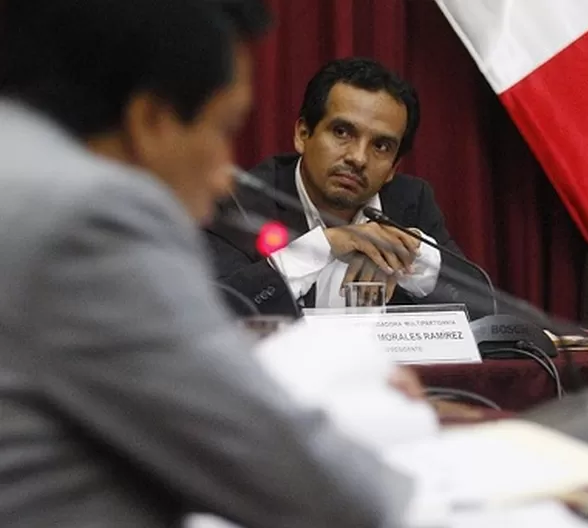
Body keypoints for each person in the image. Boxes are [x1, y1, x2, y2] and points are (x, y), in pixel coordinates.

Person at [0, 1, 413, 526]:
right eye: (223, 129)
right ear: (152, 119)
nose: (223, 176)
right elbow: (315, 488)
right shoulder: (88, 217)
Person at [205, 57, 493, 318]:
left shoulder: (410, 203)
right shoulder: (242, 200)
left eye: (381, 146)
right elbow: (214, 311)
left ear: (393, 167)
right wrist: (324, 246)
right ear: (303, 135)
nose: (358, 158)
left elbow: (485, 311)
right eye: (342, 132)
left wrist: (412, 257)